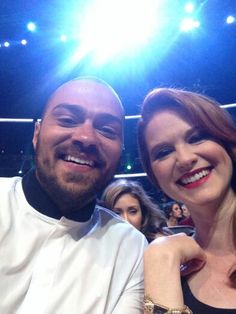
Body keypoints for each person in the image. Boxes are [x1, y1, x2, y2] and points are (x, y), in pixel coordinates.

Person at [0, 77, 147, 314]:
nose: (86, 137)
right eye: (68, 120)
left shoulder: (131, 247)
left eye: (107, 130)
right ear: (36, 133)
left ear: (120, 152)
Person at [137, 87, 236, 313]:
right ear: (155, 177)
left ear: (227, 142)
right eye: (163, 152)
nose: (184, 159)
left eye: (197, 138)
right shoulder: (162, 265)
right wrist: (159, 257)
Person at [101, 178, 171, 242]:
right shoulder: (98, 246)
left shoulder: (159, 243)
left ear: (143, 213)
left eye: (133, 212)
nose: (126, 220)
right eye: (117, 213)